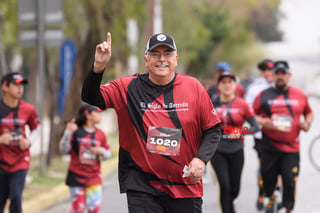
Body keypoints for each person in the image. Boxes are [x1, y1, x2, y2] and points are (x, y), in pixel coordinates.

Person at [81, 32, 221, 213]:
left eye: (167, 54)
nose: (162, 59)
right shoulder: (127, 87)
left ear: (176, 59)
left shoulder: (193, 87)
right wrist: (98, 67)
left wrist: (200, 159)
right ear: (146, 60)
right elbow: (91, 97)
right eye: (155, 54)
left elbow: (213, 129)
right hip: (142, 186)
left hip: (185, 186)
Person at [253, 61, 313, 213]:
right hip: (269, 146)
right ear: (272, 76)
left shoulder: (299, 94)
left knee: (289, 180)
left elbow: (309, 112)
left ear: (289, 75)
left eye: (283, 74)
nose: (280, 77)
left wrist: (307, 123)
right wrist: (261, 121)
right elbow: (251, 115)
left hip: (291, 148)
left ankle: (288, 208)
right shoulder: (263, 95)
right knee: (268, 182)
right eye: (277, 74)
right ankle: (270, 197)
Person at [209, 71, 259, 213]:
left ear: (235, 84)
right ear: (218, 85)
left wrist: (241, 132)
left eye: (230, 82)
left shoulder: (242, 104)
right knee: (225, 186)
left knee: (234, 188)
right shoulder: (211, 104)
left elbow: (255, 127)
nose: (227, 85)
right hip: (217, 150)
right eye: (223, 82)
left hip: (236, 149)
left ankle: (230, 207)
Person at [59, 104, 112, 213]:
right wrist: (68, 132)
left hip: (94, 177)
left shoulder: (101, 134)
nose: (100, 115)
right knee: (78, 209)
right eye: (96, 112)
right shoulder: (75, 131)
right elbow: (63, 150)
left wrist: (101, 151)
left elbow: (108, 154)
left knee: (94, 209)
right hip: (76, 176)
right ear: (88, 115)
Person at [0, 72, 40, 213]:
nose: (20, 88)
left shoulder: (28, 109)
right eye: (16, 85)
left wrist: (28, 142)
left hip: (20, 161)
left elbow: (36, 129)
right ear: (5, 87)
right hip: (1, 161)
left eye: (21, 85)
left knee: (16, 197)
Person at [245, 59, 275, 210]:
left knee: (280, 166)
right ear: (262, 72)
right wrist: (261, 121)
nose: (268, 73)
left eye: (271, 70)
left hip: (281, 134)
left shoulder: (282, 85)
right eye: (265, 71)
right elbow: (248, 109)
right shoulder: (255, 88)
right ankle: (261, 192)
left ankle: (274, 195)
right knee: (264, 166)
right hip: (262, 135)